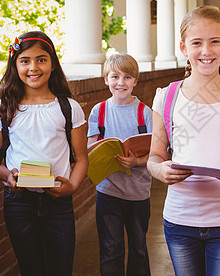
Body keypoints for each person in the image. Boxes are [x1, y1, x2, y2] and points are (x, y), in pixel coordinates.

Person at [146, 5, 220, 276]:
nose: (206, 51)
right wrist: (160, 170)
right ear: (184, 48)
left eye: (214, 42)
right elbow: (154, 156)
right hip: (179, 219)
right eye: (197, 43)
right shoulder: (166, 96)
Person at [0, 31, 88, 275]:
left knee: (60, 269)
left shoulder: (68, 107)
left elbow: (82, 158)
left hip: (58, 201)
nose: (34, 67)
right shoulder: (2, 108)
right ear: (15, 65)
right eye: (25, 60)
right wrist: (6, 176)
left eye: (41, 59)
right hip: (19, 203)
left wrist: (72, 186)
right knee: (30, 269)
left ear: (53, 64)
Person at [87, 54, 153, 276]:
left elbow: (157, 153)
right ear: (106, 79)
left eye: (127, 77)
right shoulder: (99, 111)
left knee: (139, 249)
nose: (121, 82)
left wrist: (137, 161)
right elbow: (90, 148)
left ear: (135, 81)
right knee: (111, 249)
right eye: (115, 76)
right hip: (108, 192)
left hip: (138, 193)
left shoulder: (145, 113)